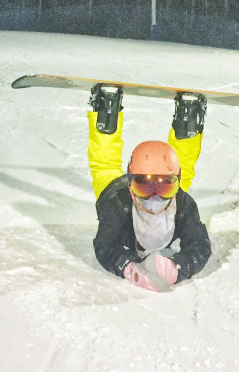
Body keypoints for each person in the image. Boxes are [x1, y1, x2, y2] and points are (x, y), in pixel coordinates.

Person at [87, 84, 212, 291]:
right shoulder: (116, 204)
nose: (154, 199)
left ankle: (187, 119)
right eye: (144, 187)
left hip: (159, 187)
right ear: (130, 185)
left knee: (180, 172)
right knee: (104, 166)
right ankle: (106, 110)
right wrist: (126, 266)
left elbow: (200, 244)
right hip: (114, 191)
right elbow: (106, 245)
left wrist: (178, 268)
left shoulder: (182, 203)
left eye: (163, 189)